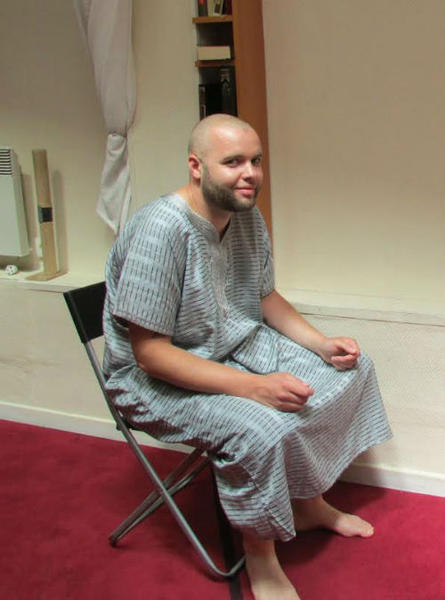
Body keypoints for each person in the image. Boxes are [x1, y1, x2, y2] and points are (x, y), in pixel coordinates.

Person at [103, 114, 392, 600]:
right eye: (233, 162)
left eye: (256, 161)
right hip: (153, 377)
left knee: (349, 371)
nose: (250, 174)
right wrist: (255, 387)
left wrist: (321, 344)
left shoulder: (246, 215)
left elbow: (264, 297)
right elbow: (150, 354)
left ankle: (309, 502)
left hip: (232, 345)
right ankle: (260, 556)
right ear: (196, 166)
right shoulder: (160, 229)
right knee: (260, 428)